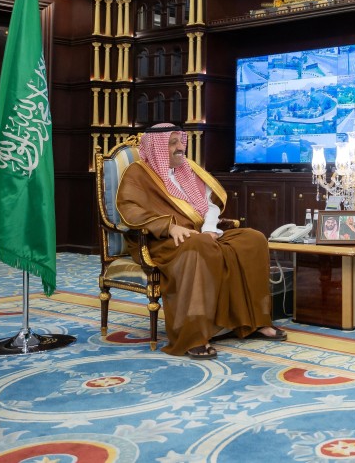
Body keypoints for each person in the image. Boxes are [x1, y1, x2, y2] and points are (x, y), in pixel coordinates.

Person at [116, 123, 286, 360]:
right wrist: (169, 227)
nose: (180, 147)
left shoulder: (188, 169)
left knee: (253, 239)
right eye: (172, 143)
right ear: (156, 148)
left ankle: (255, 322)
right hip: (161, 240)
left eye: (180, 141)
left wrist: (209, 230)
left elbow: (210, 206)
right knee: (199, 246)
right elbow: (130, 210)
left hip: (200, 234)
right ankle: (194, 336)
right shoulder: (138, 173)